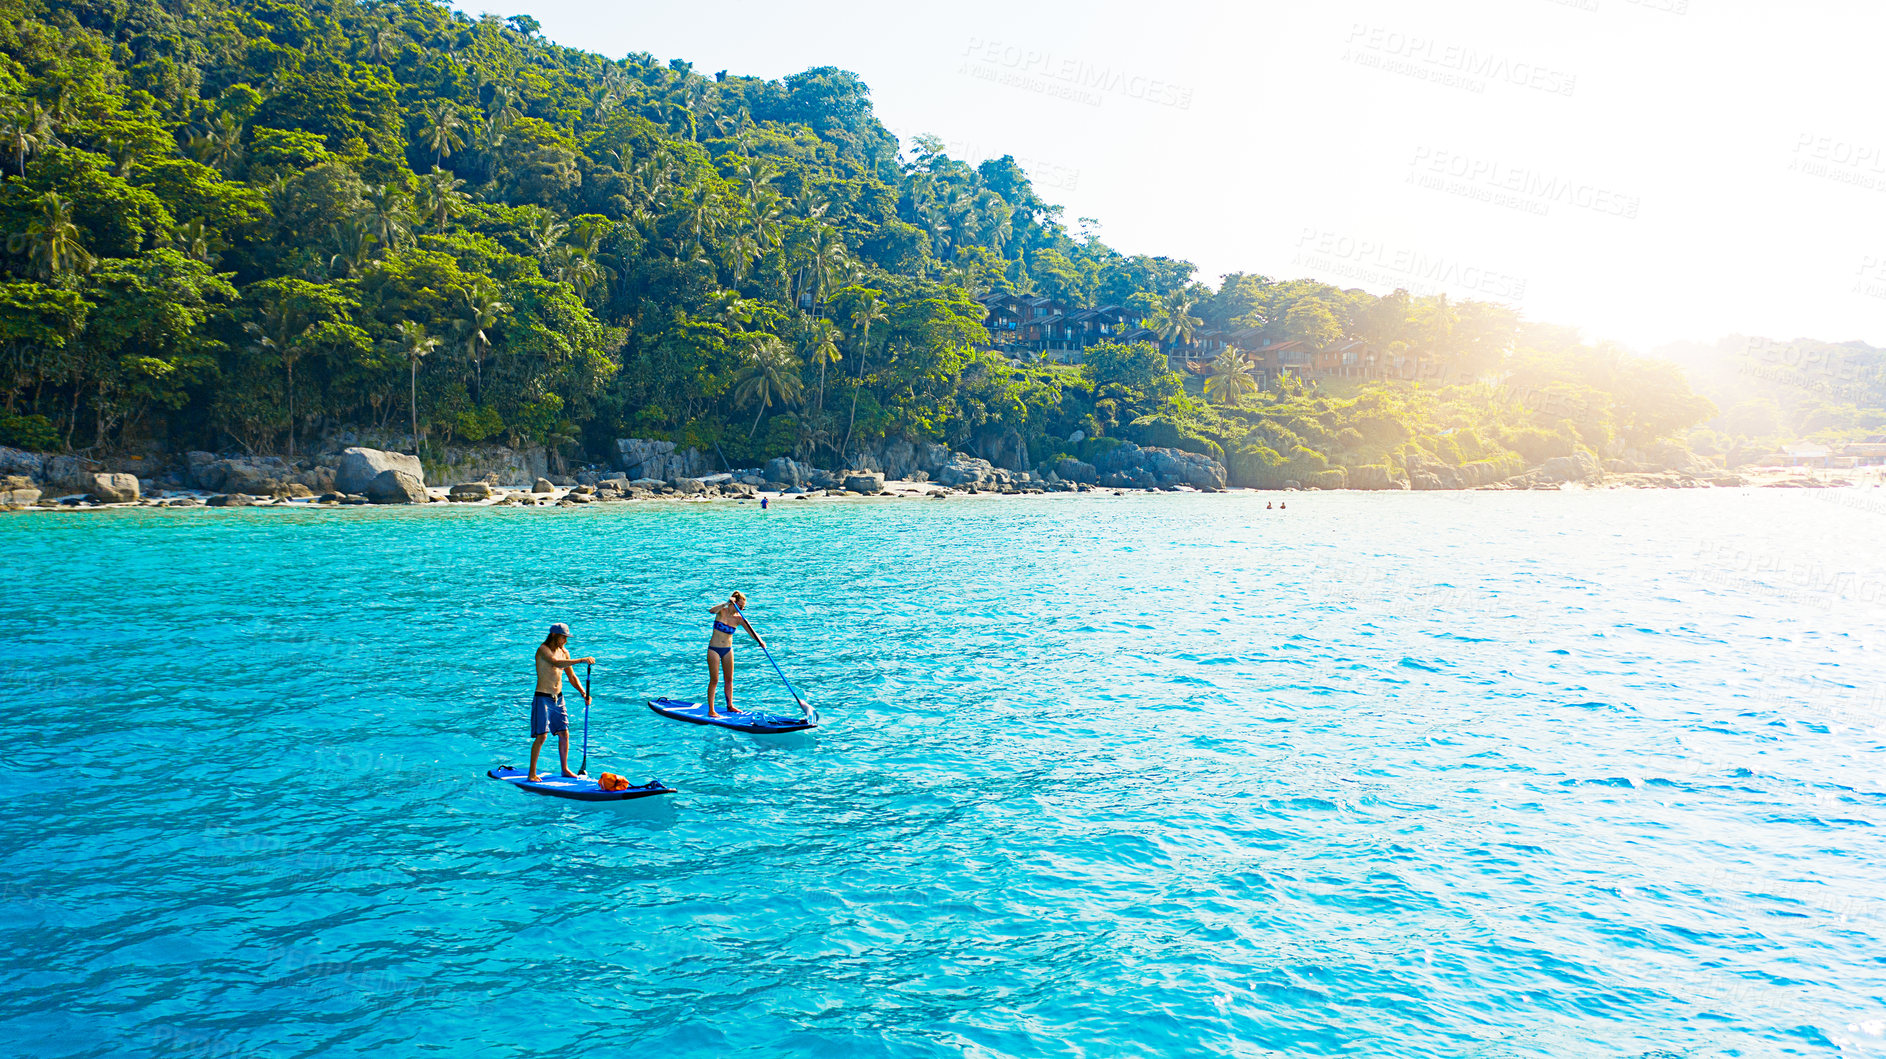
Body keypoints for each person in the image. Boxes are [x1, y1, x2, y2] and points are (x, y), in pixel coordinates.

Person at [530, 623, 594, 781]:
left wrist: (583, 693)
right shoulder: (543, 650)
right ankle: (532, 773)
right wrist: (580, 660)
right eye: (563, 637)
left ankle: (565, 769)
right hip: (543, 697)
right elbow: (555, 663)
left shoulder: (565, 652)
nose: (566, 640)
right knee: (542, 736)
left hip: (558, 698)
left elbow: (571, 677)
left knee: (564, 733)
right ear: (554, 635)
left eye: (567, 637)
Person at [705, 591, 766, 718]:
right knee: (714, 680)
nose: (742, 609)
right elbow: (711, 611)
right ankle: (711, 710)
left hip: (728, 650)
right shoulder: (722, 611)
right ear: (734, 603)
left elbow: (751, 632)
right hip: (714, 649)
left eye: (744, 607)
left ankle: (730, 705)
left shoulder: (739, 618)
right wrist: (726, 603)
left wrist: (760, 642)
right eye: (740, 606)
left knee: (729, 679)